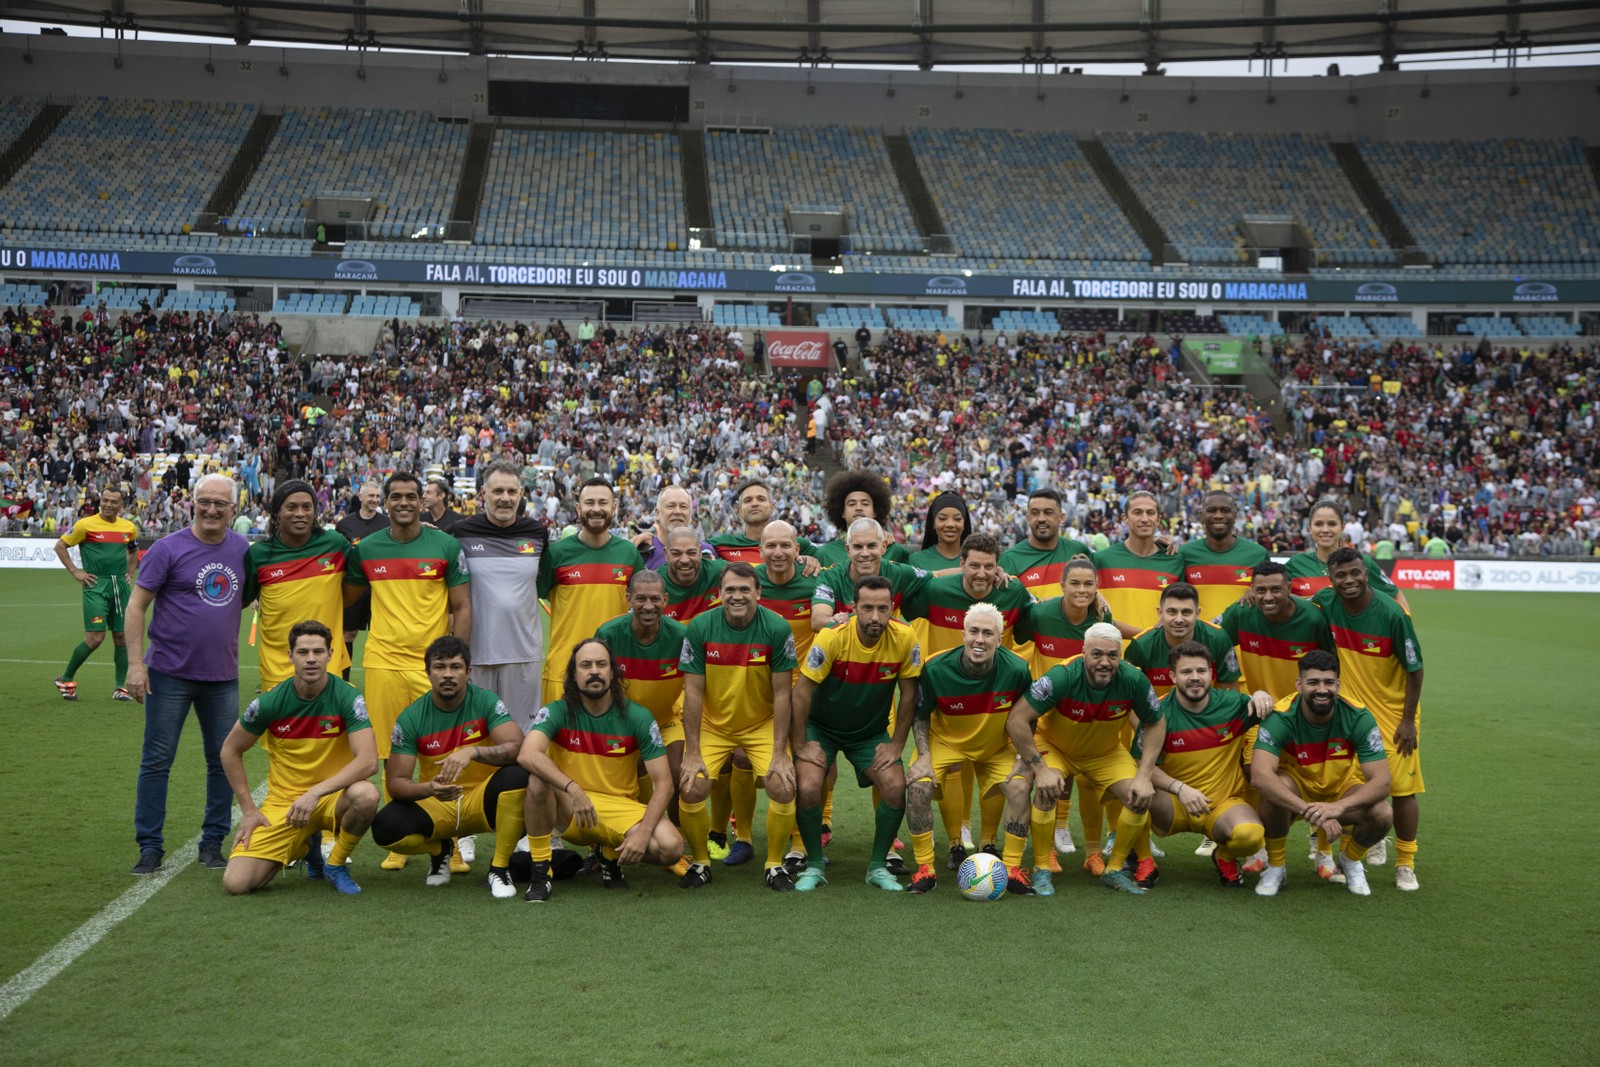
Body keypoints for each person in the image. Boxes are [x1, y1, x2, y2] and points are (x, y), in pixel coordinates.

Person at [343, 472, 472, 870]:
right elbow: (346, 596)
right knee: (392, 755)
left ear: (422, 502)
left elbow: (462, 606)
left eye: (411, 496)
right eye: (395, 496)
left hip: (431, 666)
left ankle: (449, 838)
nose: (403, 502)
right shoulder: (366, 549)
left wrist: (458, 658)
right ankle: (403, 838)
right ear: (385, 502)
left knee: (443, 750)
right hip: (383, 662)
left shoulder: (445, 545)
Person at [122, 473, 250, 875]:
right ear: (192, 503)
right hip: (169, 674)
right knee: (157, 760)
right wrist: (135, 664)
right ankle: (150, 846)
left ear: (234, 508)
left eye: (220, 503)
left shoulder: (243, 550)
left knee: (222, 759)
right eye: (204, 501)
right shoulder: (167, 548)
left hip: (222, 676)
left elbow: (245, 599)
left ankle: (212, 842)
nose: (211, 509)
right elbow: (136, 606)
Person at [900, 532, 1035, 863]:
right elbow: (898, 598)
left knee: (996, 775)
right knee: (951, 772)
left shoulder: (1012, 590)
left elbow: (1041, 615)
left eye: (989, 566)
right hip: (945, 690)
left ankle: (989, 843)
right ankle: (953, 846)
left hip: (992, 692)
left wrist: (1093, 600)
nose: (981, 573)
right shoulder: (935, 589)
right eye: (973, 565)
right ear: (961, 565)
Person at [518, 637, 684, 901]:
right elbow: (527, 754)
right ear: (574, 674)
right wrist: (573, 789)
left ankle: (608, 857)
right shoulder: (557, 712)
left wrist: (642, 835)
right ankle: (541, 871)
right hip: (570, 805)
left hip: (618, 807)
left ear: (612, 672)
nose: (594, 671)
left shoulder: (638, 717)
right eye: (585, 665)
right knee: (537, 780)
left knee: (672, 847)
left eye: (601, 664)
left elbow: (664, 783)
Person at [219, 621, 378, 896]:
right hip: (286, 801)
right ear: (290, 656)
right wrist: (248, 810)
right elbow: (230, 750)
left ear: (331, 654)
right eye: (303, 652)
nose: (311, 659)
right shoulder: (270, 703)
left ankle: (336, 864)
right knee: (237, 884)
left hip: (331, 797)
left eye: (318, 651)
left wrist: (315, 793)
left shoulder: (348, 697)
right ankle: (306, 847)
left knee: (366, 795)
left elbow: (368, 762)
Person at [1007, 623, 1165, 894]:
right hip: (1057, 747)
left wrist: (1144, 774)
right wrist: (1040, 769)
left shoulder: (1134, 679)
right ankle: (1042, 868)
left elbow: (1156, 723)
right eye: (1097, 654)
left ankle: (1114, 870)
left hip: (1105, 753)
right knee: (1047, 790)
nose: (1105, 662)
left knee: (1139, 797)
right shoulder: (1061, 676)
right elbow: (1017, 719)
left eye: (1112, 655)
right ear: (1083, 653)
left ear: (1120, 655)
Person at [369, 636, 529, 898]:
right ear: (427, 673)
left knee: (519, 774)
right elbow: (396, 782)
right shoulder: (411, 717)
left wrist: (472, 752)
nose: (447, 674)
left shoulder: (486, 701)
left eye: (455, 667)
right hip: (438, 803)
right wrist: (428, 789)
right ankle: (440, 851)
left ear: (468, 672)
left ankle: (499, 868)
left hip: (482, 800)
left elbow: (518, 747)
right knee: (385, 828)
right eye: (439, 667)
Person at [789, 576, 921, 892]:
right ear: (853, 608)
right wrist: (800, 744)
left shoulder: (905, 637)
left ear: (892, 608)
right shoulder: (832, 637)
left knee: (894, 785)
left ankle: (877, 866)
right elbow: (801, 693)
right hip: (821, 728)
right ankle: (815, 864)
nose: (875, 617)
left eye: (882, 608)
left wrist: (896, 744)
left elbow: (910, 694)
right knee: (807, 786)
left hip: (869, 732)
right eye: (867, 608)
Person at [676, 563, 800, 891]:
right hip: (712, 725)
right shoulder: (701, 626)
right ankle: (701, 861)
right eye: (730, 589)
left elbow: (782, 694)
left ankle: (774, 864)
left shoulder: (776, 627)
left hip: (761, 724)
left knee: (783, 785)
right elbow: (693, 692)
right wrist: (692, 750)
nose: (737, 596)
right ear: (720, 594)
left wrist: (779, 752)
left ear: (758, 593)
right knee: (691, 786)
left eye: (745, 589)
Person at [1312, 548, 1425, 890]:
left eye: (1354, 573)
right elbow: (1286, 600)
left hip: (1393, 717)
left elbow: (1416, 671)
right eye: (1340, 576)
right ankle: (1347, 856)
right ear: (1331, 579)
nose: (1348, 581)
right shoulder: (1325, 603)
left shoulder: (1392, 614)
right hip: (1347, 715)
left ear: (1366, 573)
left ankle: (1406, 863)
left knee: (1402, 790)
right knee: (1346, 786)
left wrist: (1407, 721)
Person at [905, 603, 1035, 895]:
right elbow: (920, 715)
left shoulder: (1016, 669)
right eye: (973, 631)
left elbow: (1030, 717)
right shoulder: (936, 668)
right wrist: (924, 757)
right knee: (918, 786)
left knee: (1020, 786)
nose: (980, 639)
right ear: (962, 634)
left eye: (988, 633)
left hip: (995, 746)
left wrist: (1023, 759)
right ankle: (925, 868)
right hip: (945, 742)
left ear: (999, 640)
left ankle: (1012, 869)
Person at [1250, 650, 1394, 897]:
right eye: (1313, 682)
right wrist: (1312, 811)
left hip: (1340, 787)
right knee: (1272, 795)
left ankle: (1350, 861)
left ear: (1338, 685)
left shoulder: (1358, 716)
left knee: (1382, 812)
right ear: (1299, 684)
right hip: (1298, 786)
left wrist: (1338, 808)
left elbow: (1382, 782)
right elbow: (1261, 776)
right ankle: (1276, 866)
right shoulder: (1281, 716)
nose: (1322, 689)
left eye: (1329, 682)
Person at [1142, 642, 1273, 887]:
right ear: (1172, 676)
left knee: (1251, 837)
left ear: (1211, 674)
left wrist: (1261, 695)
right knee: (1131, 788)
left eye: (1201, 671)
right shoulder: (1158, 712)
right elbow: (1142, 764)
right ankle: (1142, 858)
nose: (1195, 678)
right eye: (1186, 672)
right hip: (1173, 803)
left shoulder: (1233, 704)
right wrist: (1180, 788)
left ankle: (1224, 855)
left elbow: (1267, 709)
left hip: (1221, 805)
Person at [454, 460, 549, 729]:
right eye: (498, 491)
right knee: (476, 732)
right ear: (483, 494)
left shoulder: (537, 534)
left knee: (522, 735)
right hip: (476, 655)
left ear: (521, 494)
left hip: (524, 655)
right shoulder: (461, 532)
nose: (505, 499)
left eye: (511, 491)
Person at [594, 570, 689, 841]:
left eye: (655, 599)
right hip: (622, 723)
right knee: (621, 779)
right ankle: (614, 840)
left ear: (666, 600)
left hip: (665, 720)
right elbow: (596, 684)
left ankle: (679, 840)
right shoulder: (609, 633)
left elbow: (695, 685)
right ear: (628, 599)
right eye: (641, 598)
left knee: (677, 775)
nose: (648, 606)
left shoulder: (681, 636)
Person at [538, 477, 643, 706]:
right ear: (578, 509)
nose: (596, 509)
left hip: (612, 673)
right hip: (562, 673)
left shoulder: (628, 553)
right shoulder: (556, 554)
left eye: (603, 503)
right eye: (590, 503)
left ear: (614, 507)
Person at [243, 479, 351, 693]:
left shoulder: (335, 545)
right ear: (277, 513)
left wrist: (418, 530)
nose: (300, 513)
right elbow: (239, 600)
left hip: (326, 665)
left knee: (327, 727)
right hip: (276, 668)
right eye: (291, 507)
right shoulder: (259, 554)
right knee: (279, 727)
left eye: (307, 507)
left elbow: (368, 561)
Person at [53, 486, 139, 702]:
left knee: (121, 637)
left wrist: (129, 572)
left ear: (122, 505)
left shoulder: (129, 527)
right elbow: (60, 546)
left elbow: (133, 550)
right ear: (100, 501)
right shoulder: (85, 524)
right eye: (105, 500)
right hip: (96, 585)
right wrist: (76, 572)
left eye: (114, 501)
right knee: (95, 638)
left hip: (120, 586)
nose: (109, 504)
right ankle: (65, 678)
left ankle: (120, 688)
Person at [810, 518, 933, 632]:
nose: (865, 553)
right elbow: (817, 620)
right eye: (858, 547)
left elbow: (935, 575)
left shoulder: (898, 572)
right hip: (841, 653)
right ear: (848, 550)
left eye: (871, 546)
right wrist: (836, 620)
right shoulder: (830, 577)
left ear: (883, 547)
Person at [1123, 582, 1241, 699]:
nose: (1179, 619)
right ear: (1160, 613)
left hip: (1206, 714)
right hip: (1160, 716)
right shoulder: (1141, 646)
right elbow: (1131, 700)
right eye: (1172, 612)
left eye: (1186, 612)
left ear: (1197, 614)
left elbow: (1230, 692)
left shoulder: (1217, 638)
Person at [1285, 498, 1408, 610]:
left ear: (1342, 527)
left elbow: (1397, 598)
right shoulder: (1295, 564)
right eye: (1318, 524)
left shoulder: (1362, 563)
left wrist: (1403, 632)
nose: (1325, 530)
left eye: (1332, 524)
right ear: (1310, 528)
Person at [1094, 491, 1185, 628]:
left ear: (1158, 519)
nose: (1144, 519)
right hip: (1114, 648)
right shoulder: (1102, 559)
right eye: (1137, 512)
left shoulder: (1174, 560)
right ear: (1125, 518)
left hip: (1159, 648)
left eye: (1150, 513)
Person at [1176, 491, 1269, 622]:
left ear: (1235, 515)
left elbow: (1271, 598)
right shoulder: (1184, 553)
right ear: (1201, 516)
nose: (1218, 515)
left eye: (1225, 510)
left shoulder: (1258, 554)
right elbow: (1175, 599)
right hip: (1199, 641)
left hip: (1244, 641)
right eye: (1212, 510)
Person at [334, 481, 387, 681]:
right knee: (348, 635)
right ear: (360, 496)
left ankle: (382, 679)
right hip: (353, 587)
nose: (374, 500)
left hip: (380, 588)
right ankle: (343, 682)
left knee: (382, 635)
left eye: (377, 496)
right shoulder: (345, 525)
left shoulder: (387, 523)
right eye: (371, 496)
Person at [709, 478, 820, 568]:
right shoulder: (722, 544)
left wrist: (812, 560)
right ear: (739, 510)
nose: (754, 504)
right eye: (748, 500)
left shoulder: (797, 544)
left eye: (761, 499)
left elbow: (830, 555)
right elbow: (698, 548)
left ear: (772, 507)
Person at [815, 471, 910, 568]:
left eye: (865, 504)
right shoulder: (825, 553)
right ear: (842, 512)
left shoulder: (895, 551)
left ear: (875, 511)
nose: (858, 508)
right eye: (852, 504)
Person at [631, 485, 714, 569]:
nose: (677, 512)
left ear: (690, 513)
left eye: (683, 507)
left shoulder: (707, 552)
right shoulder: (641, 552)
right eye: (671, 506)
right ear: (657, 513)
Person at [658, 526, 727, 621]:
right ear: (666, 554)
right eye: (676, 553)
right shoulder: (655, 585)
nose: (685, 560)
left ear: (700, 552)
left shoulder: (722, 572)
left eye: (691, 553)